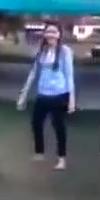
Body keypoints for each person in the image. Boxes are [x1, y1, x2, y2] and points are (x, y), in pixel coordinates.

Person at [16, 22, 76, 170]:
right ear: (44, 34)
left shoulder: (65, 51)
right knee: (36, 123)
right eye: (48, 31)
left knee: (58, 126)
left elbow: (69, 76)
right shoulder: (41, 51)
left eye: (54, 32)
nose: (50, 35)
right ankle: (39, 152)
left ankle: (61, 158)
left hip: (59, 95)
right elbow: (33, 73)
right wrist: (23, 94)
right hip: (42, 94)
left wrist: (72, 100)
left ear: (59, 35)